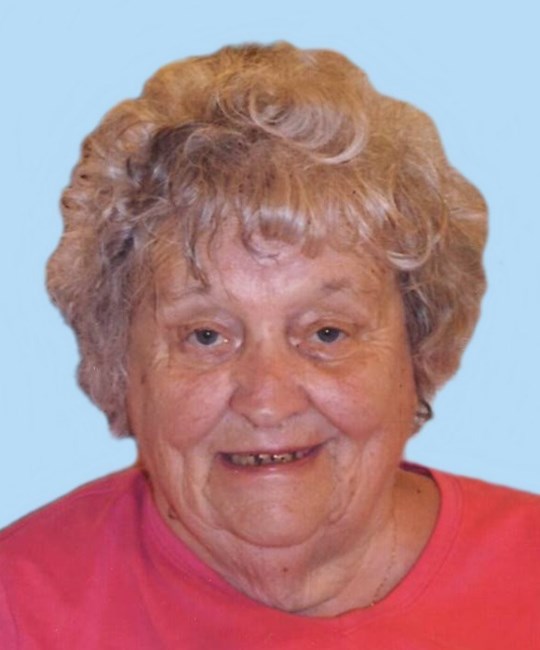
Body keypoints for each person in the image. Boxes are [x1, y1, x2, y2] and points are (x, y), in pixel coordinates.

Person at [1, 42, 538, 649]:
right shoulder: (20, 607)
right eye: (206, 336)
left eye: (326, 333)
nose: (267, 402)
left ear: (418, 352)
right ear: (120, 368)